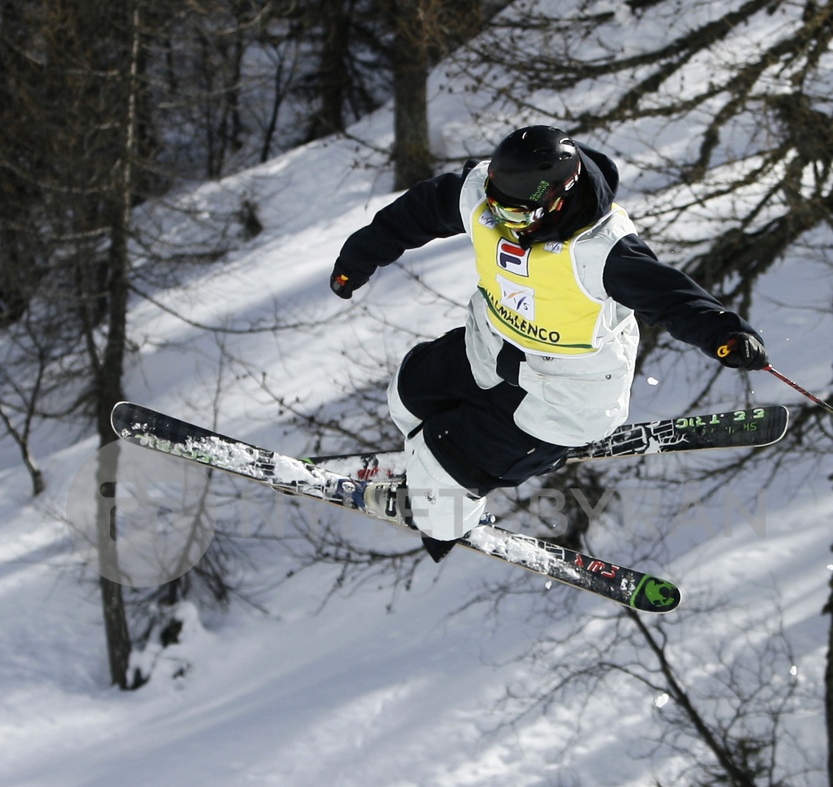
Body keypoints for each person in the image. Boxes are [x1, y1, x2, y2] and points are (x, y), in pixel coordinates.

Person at [329, 125, 768, 560]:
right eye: (496, 208)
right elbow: (418, 212)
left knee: (440, 478)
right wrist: (358, 257)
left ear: (558, 198)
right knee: (408, 393)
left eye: (517, 216)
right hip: (490, 351)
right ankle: (437, 467)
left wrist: (726, 334)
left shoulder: (602, 250)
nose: (503, 222)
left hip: (561, 396)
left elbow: (672, 298)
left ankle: (444, 512)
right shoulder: (485, 195)